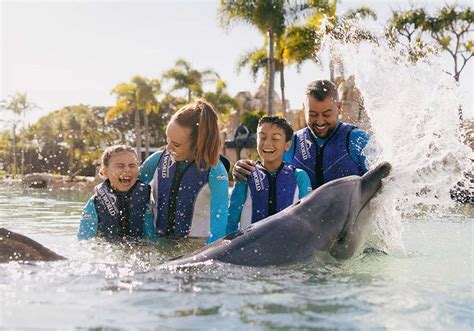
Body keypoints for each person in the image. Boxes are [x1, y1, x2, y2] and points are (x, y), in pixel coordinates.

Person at [233, 80, 369, 189]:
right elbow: (267, 176)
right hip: (304, 221)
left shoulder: (357, 139)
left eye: (327, 114)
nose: (320, 121)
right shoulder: (291, 142)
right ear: (304, 109)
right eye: (313, 114)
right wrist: (243, 170)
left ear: (339, 108)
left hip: (351, 221)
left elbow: (381, 177)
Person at [139, 99, 229, 244]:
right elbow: (131, 190)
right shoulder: (157, 160)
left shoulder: (215, 171)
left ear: (197, 145)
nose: (168, 148)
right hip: (157, 243)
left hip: (194, 248)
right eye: (167, 140)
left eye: (176, 144)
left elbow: (221, 217)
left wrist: (209, 251)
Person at [227, 116, 312, 234]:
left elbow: (307, 220)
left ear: (287, 145)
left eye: (275, 138)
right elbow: (231, 221)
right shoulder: (246, 174)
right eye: (262, 137)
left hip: (287, 249)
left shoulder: (299, 177)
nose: (267, 143)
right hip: (250, 249)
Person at [77, 145, 157, 241]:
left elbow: (151, 238)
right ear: (105, 172)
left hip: (138, 250)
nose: (127, 170)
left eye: (132, 166)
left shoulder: (144, 199)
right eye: (120, 166)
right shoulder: (95, 203)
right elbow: (84, 241)